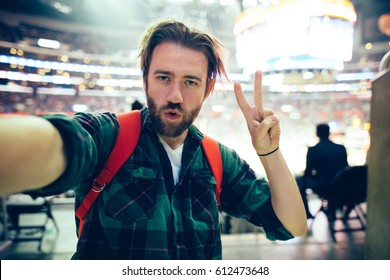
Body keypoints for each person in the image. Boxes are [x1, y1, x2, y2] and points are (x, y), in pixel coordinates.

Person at [0, 19, 306, 259]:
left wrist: (270, 152)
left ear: (206, 90)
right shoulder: (110, 137)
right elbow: (62, 145)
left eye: (190, 82)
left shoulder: (218, 159)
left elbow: (291, 225)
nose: (175, 96)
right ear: (145, 77)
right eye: (163, 78)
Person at [297, 123, 349, 219]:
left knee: (298, 181)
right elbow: (345, 168)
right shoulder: (341, 148)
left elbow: (308, 172)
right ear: (329, 133)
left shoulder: (313, 150)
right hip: (340, 185)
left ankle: (306, 212)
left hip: (322, 186)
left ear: (317, 134)